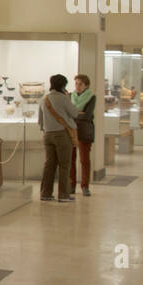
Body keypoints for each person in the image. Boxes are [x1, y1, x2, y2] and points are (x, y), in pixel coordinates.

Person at [38, 74, 79, 202]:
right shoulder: (63, 98)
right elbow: (74, 113)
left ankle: (45, 193)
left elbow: (40, 121)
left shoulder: (44, 99)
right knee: (64, 165)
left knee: (49, 165)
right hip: (62, 134)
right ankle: (63, 194)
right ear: (63, 85)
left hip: (47, 135)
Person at [69, 74, 96, 197]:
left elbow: (87, 115)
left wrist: (75, 114)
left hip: (85, 131)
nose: (78, 86)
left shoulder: (91, 97)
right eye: (76, 83)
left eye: (80, 84)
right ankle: (71, 185)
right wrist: (78, 113)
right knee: (71, 159)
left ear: (86, 85)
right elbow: (68, 113)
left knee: (84, 160)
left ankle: (85, 186)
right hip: (72, 131)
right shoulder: (70, 96)